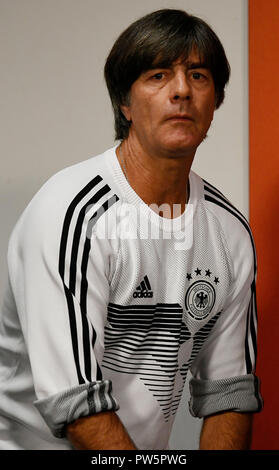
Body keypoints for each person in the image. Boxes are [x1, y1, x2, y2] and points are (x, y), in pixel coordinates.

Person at [0, 9, 263, 450]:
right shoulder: (71, 214)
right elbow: (76, 405)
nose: (181, 91)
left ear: (215, 102)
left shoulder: (229, 233)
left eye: (198, 76)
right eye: (159, 75)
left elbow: (229, 393)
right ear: (124, 104)